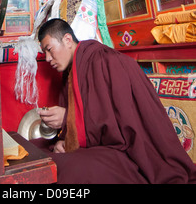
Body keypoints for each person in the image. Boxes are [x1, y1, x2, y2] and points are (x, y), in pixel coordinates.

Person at [33, 18, 196, 184]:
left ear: (67, 40)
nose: (47, 58)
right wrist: (64, 140)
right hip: (95, 144)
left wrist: (69, 118)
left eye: (49, 49)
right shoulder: (71, 71)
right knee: (36, 152)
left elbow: (120, 126)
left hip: (129, 150)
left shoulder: (104, 61)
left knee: (70, 170)